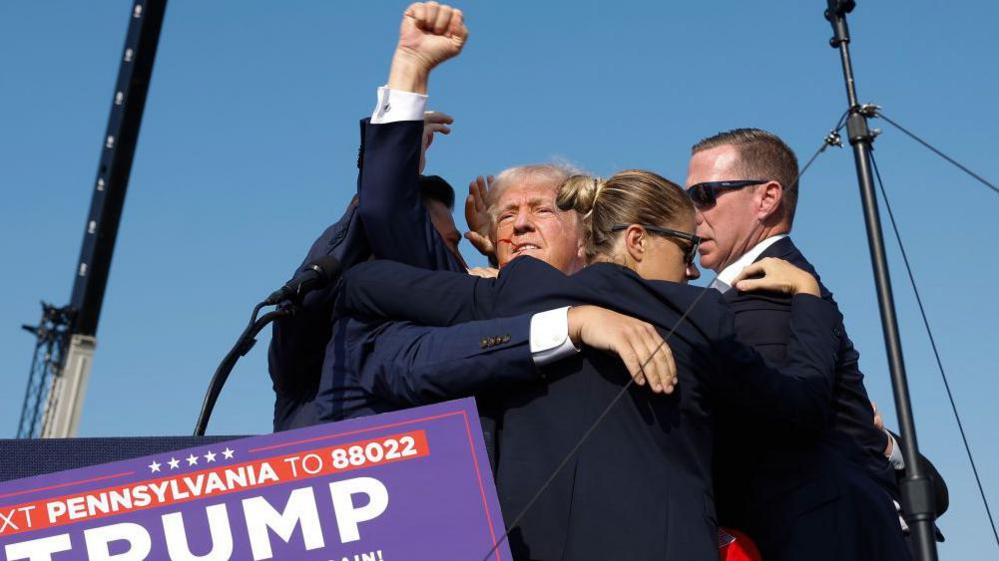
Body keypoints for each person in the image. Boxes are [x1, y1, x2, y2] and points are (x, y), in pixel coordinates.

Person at [336, 170, 865, 560]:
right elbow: (800, 408)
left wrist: (487, 284)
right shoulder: (697, 312)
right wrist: (811, 301)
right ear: (637, 240)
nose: (692, 267)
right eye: (685, 248)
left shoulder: (521, 289)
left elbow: (362, 285)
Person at [685, 128, 928, 559]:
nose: (692, 215)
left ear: (767, 198)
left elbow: (779, 420)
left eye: (705, 194)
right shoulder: (772, 287)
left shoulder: (768, 291)